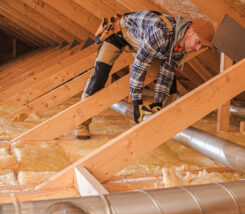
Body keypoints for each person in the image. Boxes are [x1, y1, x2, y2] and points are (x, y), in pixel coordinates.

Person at [78, 10, 214, 137]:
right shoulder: (161, 32)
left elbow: (166, 73)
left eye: (201, 46)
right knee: (99, 76)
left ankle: (162, 124)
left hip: (141, 42)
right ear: (190, 30)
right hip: (117, 36)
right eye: (198, 42)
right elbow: (140, 66)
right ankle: (82, 125)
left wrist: (158, 103)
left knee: (170, 83)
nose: (197, 48)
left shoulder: (181, 47)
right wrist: (137, 102)